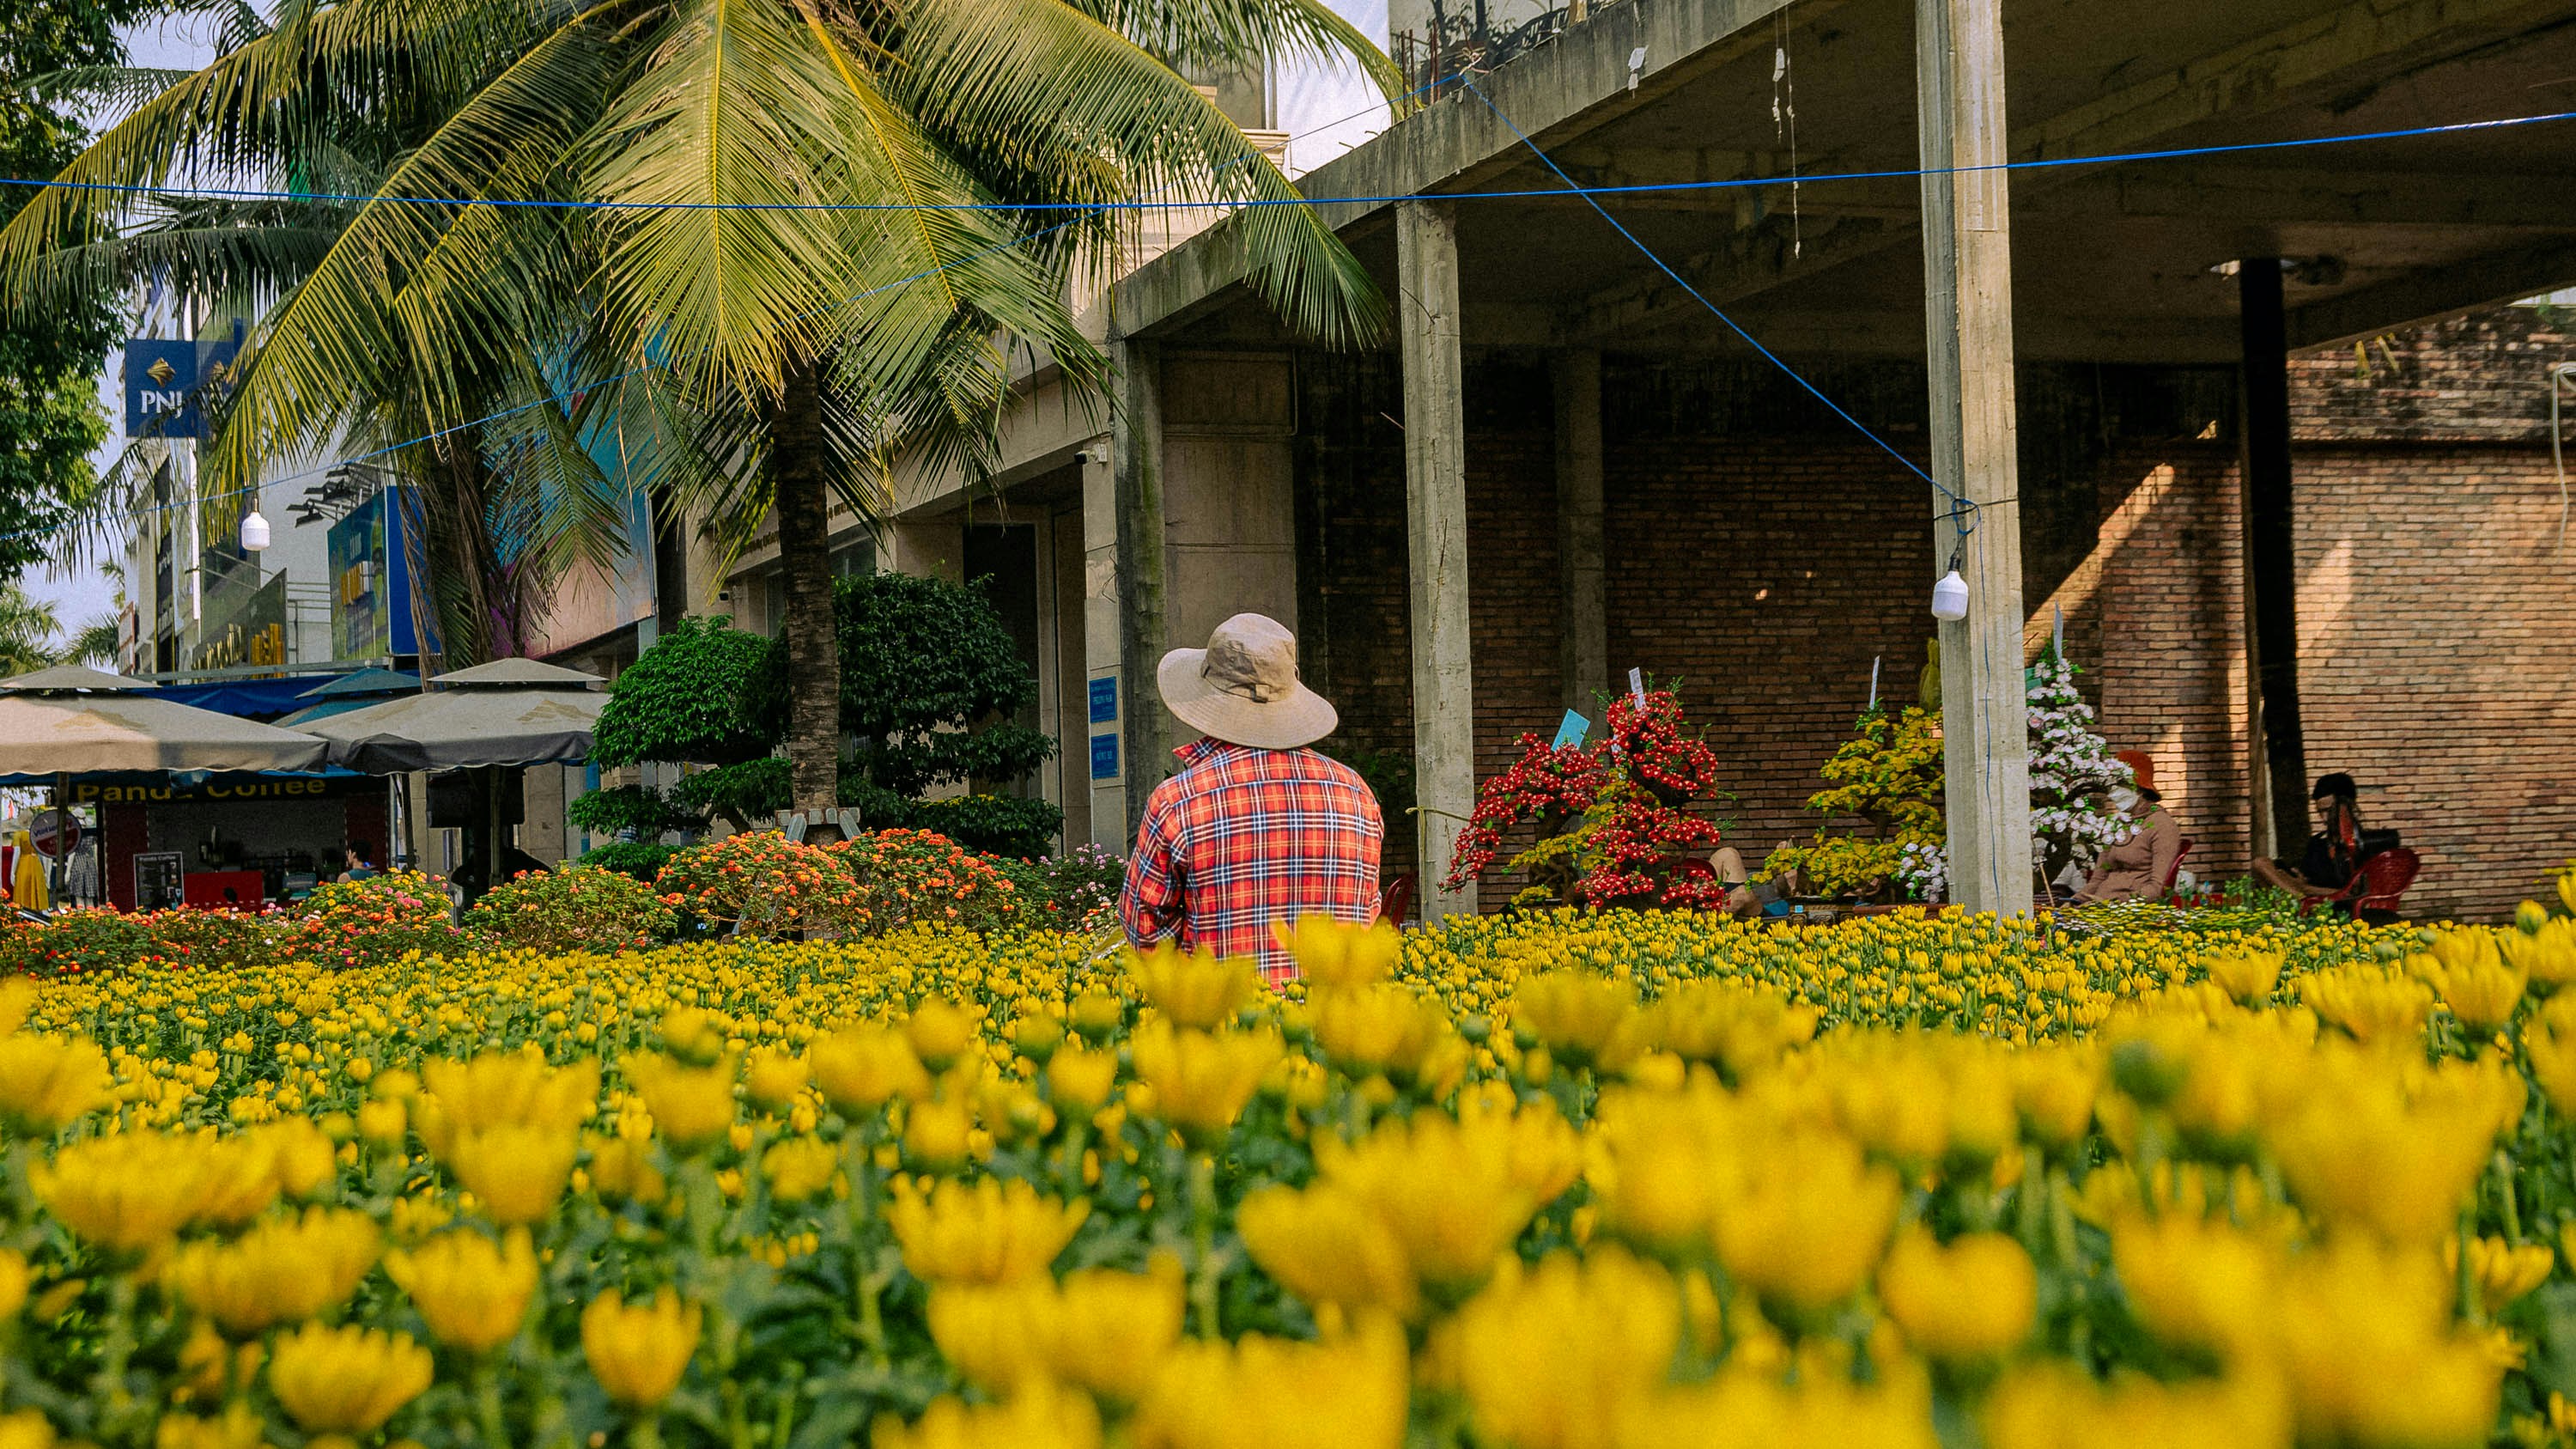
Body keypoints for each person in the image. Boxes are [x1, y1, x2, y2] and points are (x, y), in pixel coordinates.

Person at [1120, 613, 1385, 985]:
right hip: (1335, 1030)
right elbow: (1366, 914)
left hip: (1224, 1029)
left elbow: (1144, 928)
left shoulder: (1178, 800)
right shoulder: (1355, 793)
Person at [2073, 751, 2184, 904]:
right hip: (2098, 904)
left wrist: (2118, 902)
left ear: (2139, 788)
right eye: (2110, 788)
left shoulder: (2162, 825)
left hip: (2130, 908)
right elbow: (2098, 878)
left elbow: (2157, 887)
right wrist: (2074, 902)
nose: (2112, 795)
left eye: (2118, 786)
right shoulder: (2116, 824)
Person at [2252, 772, 2366, 899]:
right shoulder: (2317, 842)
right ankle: (2299, 900)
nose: (2324, 818)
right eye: (2320, 812)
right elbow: (2306, 879)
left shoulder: (2363, 841)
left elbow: (2354, 891)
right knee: (2261, 864)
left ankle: (2299, 901)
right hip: (2309, 894)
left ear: (2348, 806)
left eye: (2329, 811)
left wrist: (2307, 889)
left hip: (2338, 900)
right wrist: (2297, 877)